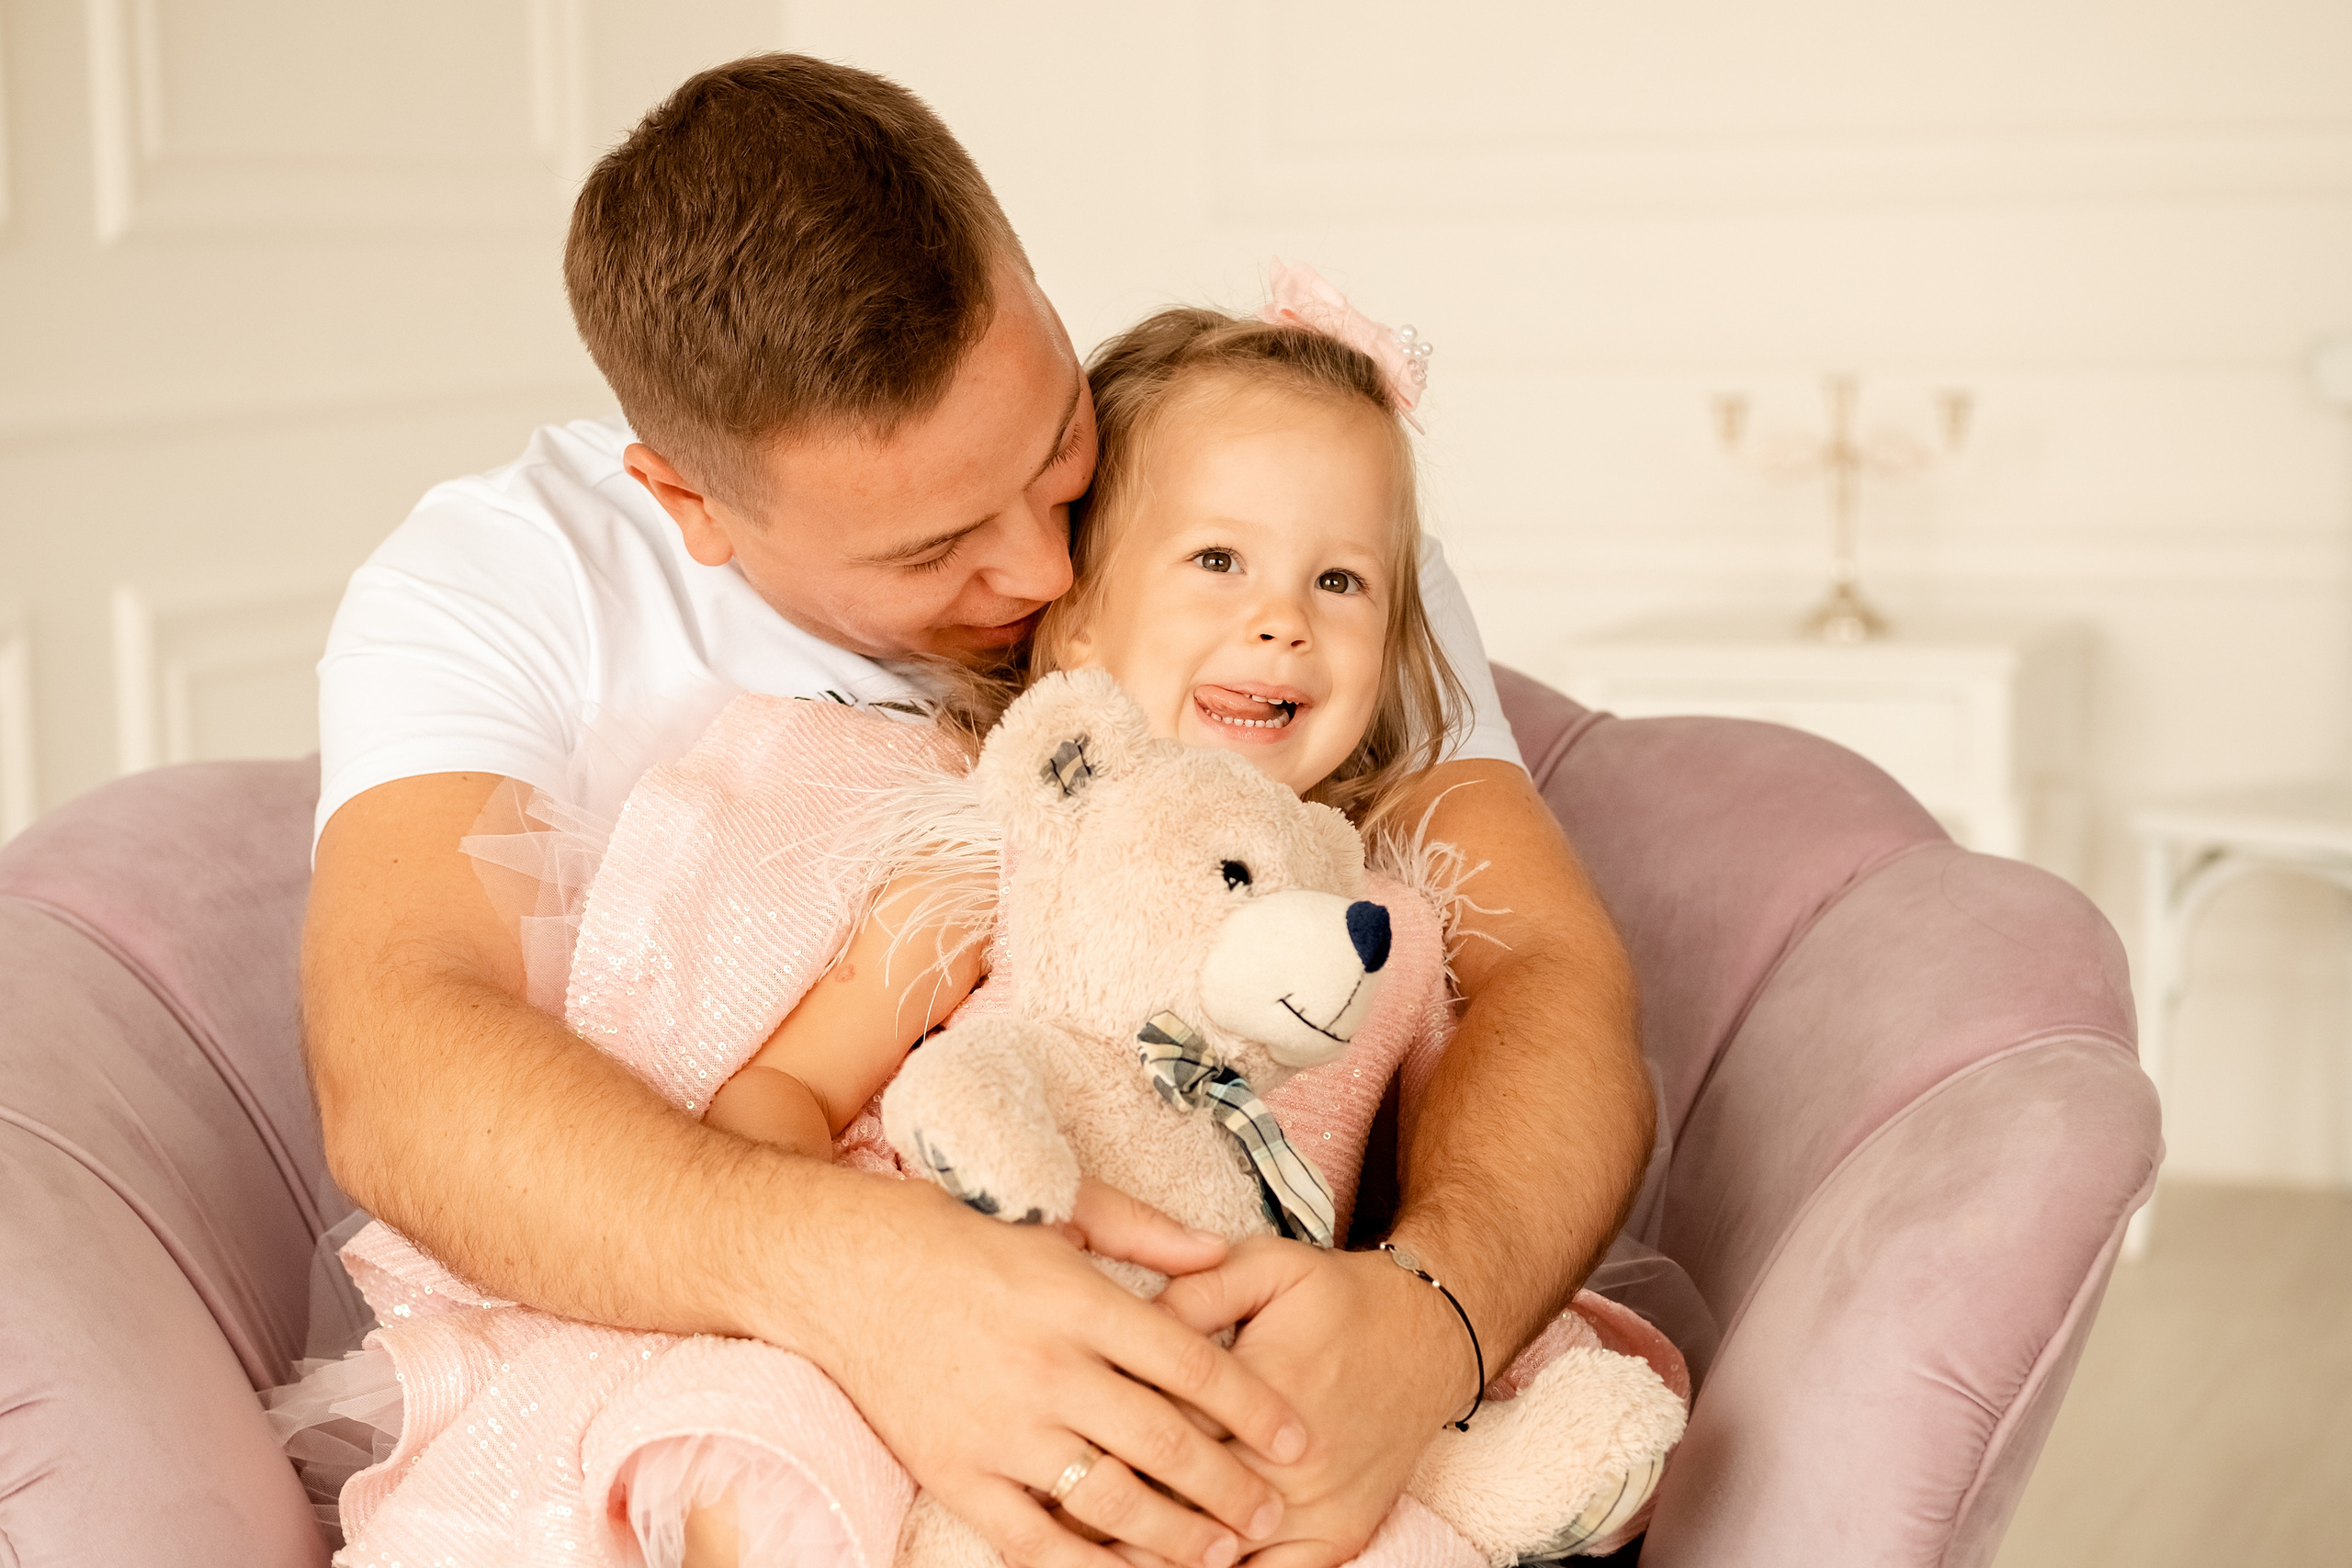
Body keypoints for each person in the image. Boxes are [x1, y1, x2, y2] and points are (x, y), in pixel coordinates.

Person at [302, 52, 1651, 1568]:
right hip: (747, 1321)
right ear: (690, 504)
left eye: (1057, 450)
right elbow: (402, 1063)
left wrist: (1429, 1329)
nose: (1042, 574)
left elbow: (1545, 968)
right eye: (937, 547)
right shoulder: (501, 588)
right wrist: (873, 1290)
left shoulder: (1252, 501)